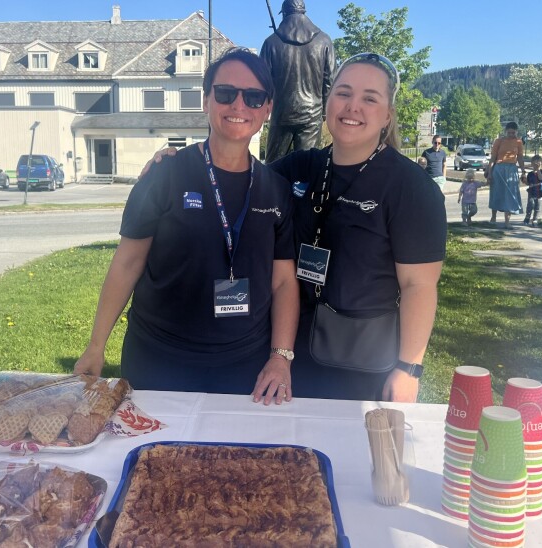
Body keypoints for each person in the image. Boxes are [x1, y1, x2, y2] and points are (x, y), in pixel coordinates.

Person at [142, 53, 447, 403]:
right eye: (343, 93)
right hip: (285, 352)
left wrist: (408, 369)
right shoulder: (300, 166)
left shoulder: (411, 188)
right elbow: (238, 175)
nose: (353, 107)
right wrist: (180, 162)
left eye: (369, 98)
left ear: (388, 114)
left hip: (359, 363)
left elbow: (418, 286)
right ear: (328, 101)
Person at [74, 48, 299, 406]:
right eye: (226, 93)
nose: (239, 105)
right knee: (154, 457)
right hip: (160, 359)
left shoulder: (276, 188)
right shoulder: (165, 174)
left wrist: (280, 357)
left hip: (244, 364)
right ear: (206, 99)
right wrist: (96, 345)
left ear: (267, 108)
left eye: (254, 97)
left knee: (236, 461)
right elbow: (128, 262)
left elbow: (284, 280)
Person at [259, 0, 335, 162]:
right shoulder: (324, 41)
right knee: (308, 167)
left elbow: (261, 82)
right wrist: (324, 111)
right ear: (304, 12)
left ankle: (272, 188)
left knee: (274, 167)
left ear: (284, 14)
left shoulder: (271, 42)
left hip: (281, 114)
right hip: (312, 114)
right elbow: (329, 80)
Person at [486, 122, 525, 227]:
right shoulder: (499, 141)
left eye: (513, 132)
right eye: (509, 132)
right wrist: (489, 172)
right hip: (499, 169)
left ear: (516, 131)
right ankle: (493, 217)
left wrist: (523, 172)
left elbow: (520, 158)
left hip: (512, 169)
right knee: (496, 192)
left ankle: (507, 221)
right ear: (505, 131)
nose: (511, 134)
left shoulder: (518, 142)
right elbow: (493, 158)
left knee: (510, 194)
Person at [523, 155, 542, 225]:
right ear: (532, 164)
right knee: (530, 204)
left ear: (541, 163)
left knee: (537, 206)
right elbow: (528, 183)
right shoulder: (530, 174)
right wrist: (524, 180)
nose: (536, 165)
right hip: (531, 191)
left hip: (540, 191)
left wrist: (538, 169)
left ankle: (535, 219)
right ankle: (527, 217)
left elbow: (540, 178)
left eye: (538, 163)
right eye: (534, 163)